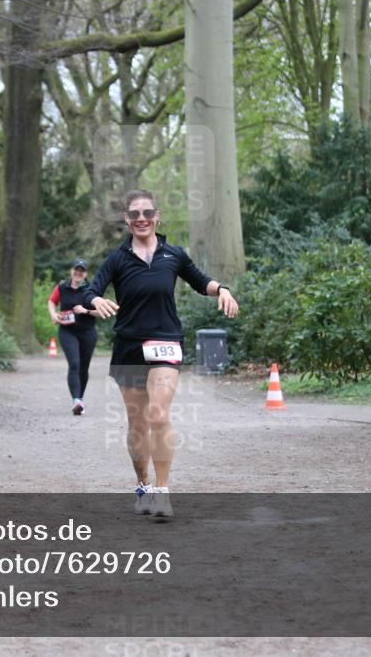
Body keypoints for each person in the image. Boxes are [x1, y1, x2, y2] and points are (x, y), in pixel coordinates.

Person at [84, 189, 239, 517]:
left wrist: (223, 289)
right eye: (135, 214)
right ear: (127, 220)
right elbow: (91, 290)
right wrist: (94, 300)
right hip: (128, 346)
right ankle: (142, 483)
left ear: (157, 217)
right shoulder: (117, 259)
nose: (142, 219)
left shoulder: (174, 255)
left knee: (158, 414)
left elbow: (201, 282)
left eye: (148, 213)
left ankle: (162, 491)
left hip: (165, 343)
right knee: (138, 423)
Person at [47, 259, 97, 415]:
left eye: (82, 270)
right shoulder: (62, 287)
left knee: (84, 367)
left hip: (88, 332)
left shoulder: (91, 289)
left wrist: (85, 311)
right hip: (67, 331)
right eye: (76, 269)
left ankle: (79, 399)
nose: (78, 273)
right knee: (74, 364)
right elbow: (51, 301)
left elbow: (102, 312)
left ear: (85, 274)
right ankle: (76, 400)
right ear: (72, 271)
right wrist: (53, 315)